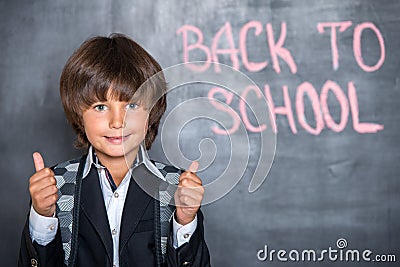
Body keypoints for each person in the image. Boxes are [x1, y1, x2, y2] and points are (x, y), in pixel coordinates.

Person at [18, 33, 210, 267]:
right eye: (100, 107)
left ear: (151, 113)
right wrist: (42, 216)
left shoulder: (175, 186)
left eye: (131, 105)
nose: (117, 122)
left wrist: (185, 221)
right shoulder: (55, 185)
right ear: (79, 114)